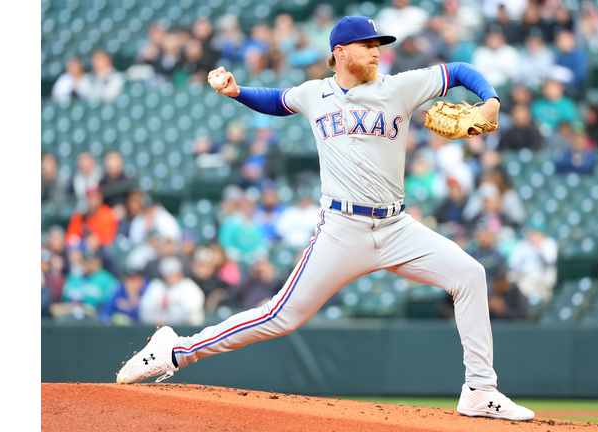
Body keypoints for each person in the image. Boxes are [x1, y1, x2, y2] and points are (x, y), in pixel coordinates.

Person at [117, 16, 535, 422]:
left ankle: (480, 390)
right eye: (368, 46)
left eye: (378, 46)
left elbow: (459, 70)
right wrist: (237, 91)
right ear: (340, 52)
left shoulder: (400, 87)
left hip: (396, 227)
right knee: (280, 316)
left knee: (470, 275)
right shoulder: (315, 93)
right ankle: (173, 350)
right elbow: (278, 101)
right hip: (342, 229)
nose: (376, 53)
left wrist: (491, 101)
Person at [139, 256, 205, 326]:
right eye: (168, 273)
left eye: (174, 273)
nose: (171, 276)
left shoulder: (188, 286)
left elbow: (191, 312)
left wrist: (168, 320)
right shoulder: (156, 286)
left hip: (186, 330)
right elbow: (143, 310)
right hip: (159, 329)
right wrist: (155, 319)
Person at [507, 217, 558, 303]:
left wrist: (538, 247)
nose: (535, 234)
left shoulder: (549, 243)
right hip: (526, 279)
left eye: (538, 232)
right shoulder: (522, 245)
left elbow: (550, 261)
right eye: (533, 231)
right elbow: (512, 264)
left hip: (543, 279)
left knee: (551, 272)